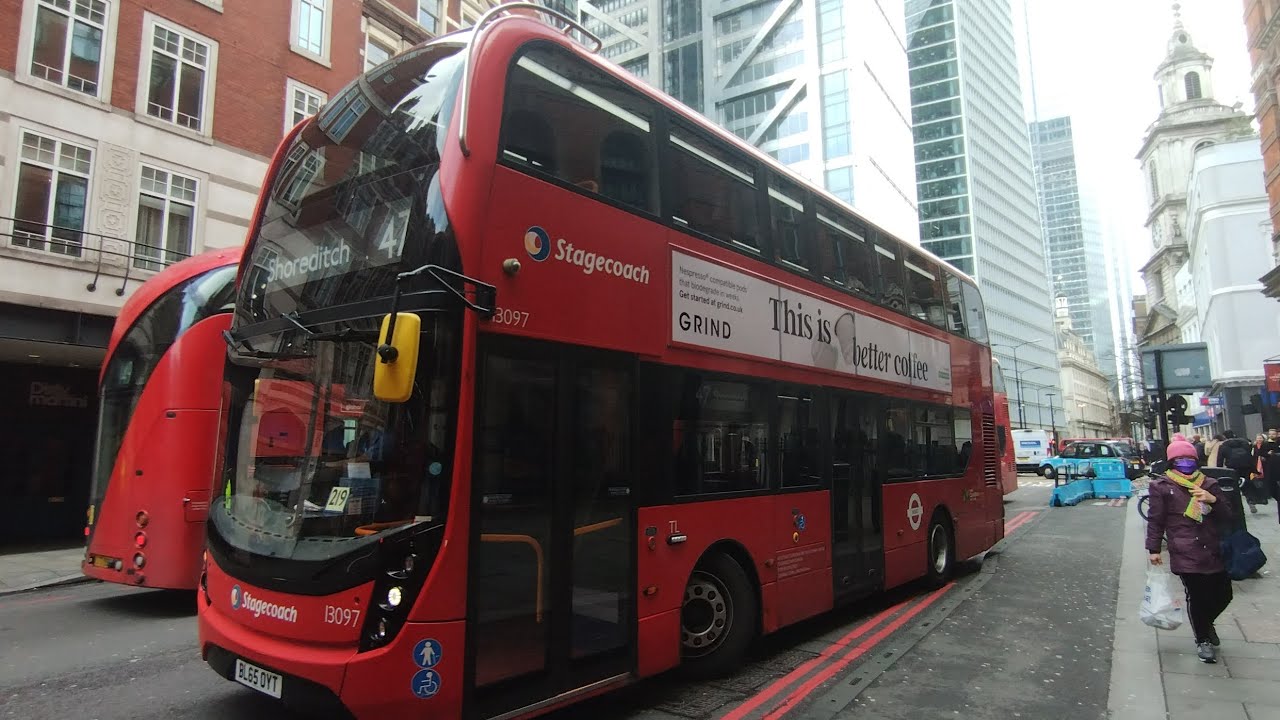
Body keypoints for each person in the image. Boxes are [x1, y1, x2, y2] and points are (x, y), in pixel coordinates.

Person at [1146, 434, 1233, 663]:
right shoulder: (1162, 486)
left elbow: (1229, 516)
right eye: (1180, 460)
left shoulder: (1209, 484)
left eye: (1189, 459)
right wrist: (1153, 549)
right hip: (1184, 549)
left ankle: (1206, 622)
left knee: (1224, 594)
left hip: (1213, 547)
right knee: (1197, 596)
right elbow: (1156, 520)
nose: (1185, 464)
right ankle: (1202, 640)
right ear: (1171, 462)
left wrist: (1213, 500)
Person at [1219, 430, 1260, 513]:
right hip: (1246, 466)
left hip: (1232, 467)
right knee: (1246, 483)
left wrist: (1219, 470)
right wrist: (1254, 470)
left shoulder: (1224, 445)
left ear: (1224, 436)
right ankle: (1250, 500)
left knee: (1234, 485)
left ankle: (1237, 506)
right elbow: (1249, 456)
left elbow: (1219, 459)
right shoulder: (1244, 443)